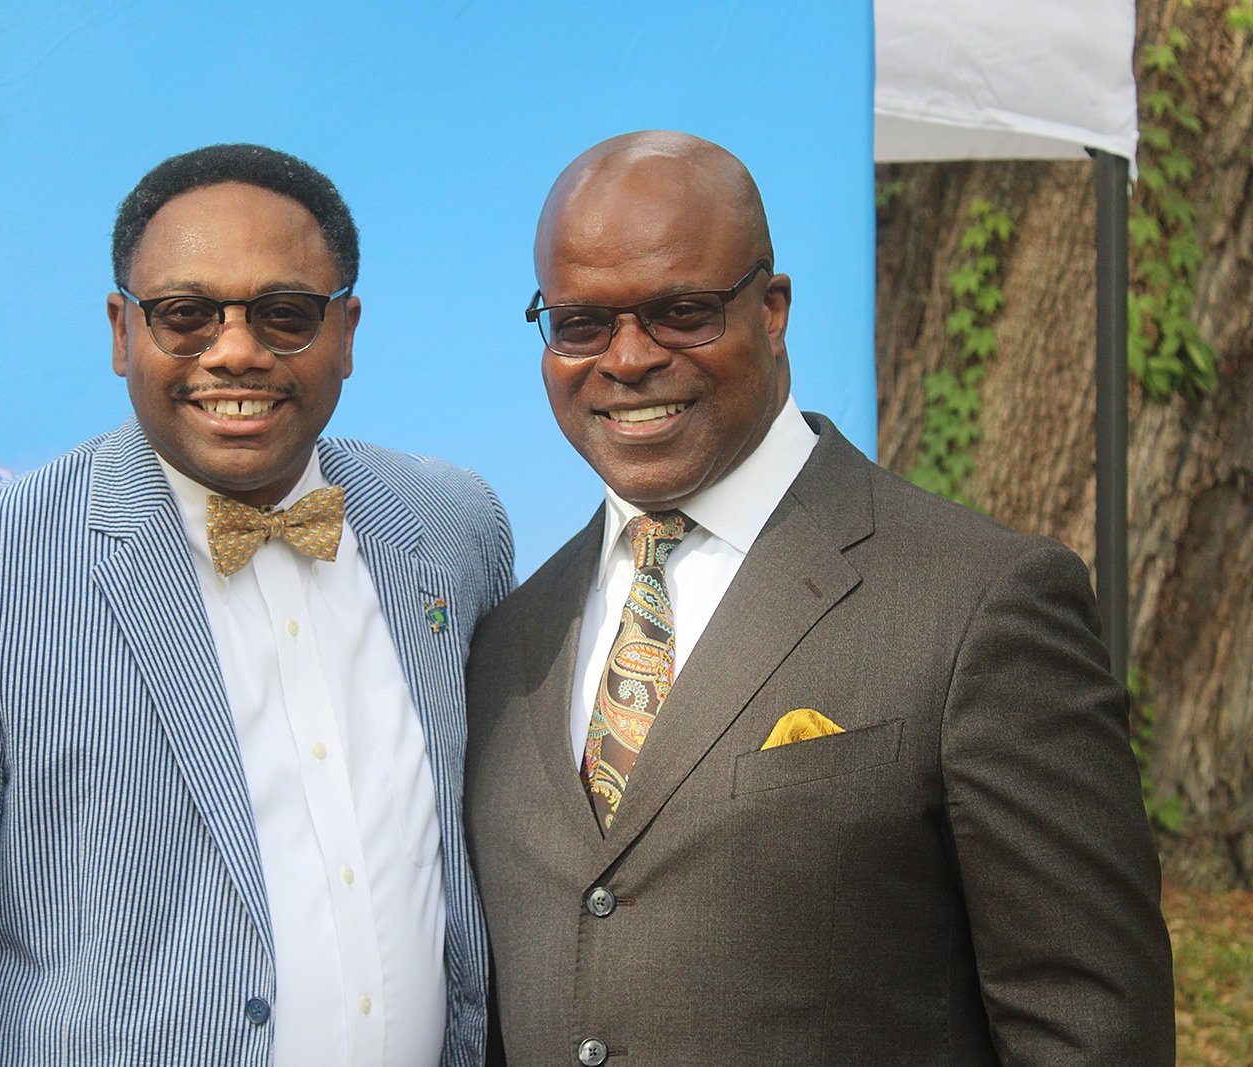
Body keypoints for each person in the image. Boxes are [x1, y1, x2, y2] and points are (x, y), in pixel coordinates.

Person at [0, 143, 513, 1066]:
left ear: (347, 332)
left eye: (285, 314)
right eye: (186, 315)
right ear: (122, 331)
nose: (237, 350)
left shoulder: (454, 524)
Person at [464, 131, 1174, 1066]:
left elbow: (1092, 1028)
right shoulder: (512, 636)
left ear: (773, 308)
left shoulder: (980, 602)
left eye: (680, 311)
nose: (627, 358)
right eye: (581, 323)